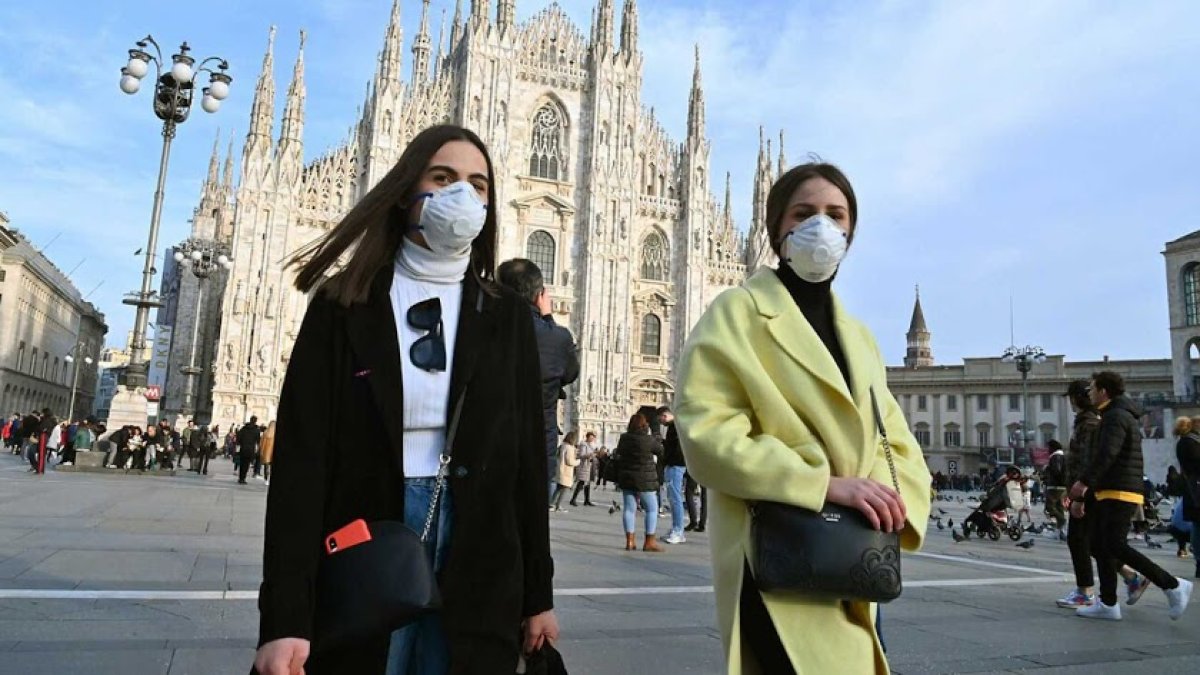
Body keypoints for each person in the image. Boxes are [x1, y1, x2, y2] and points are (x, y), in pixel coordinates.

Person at [252, 125, 556, 675]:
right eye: (443, 178)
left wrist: (539, 594)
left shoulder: (505, 315)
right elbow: (302, 466)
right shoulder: (344, 304)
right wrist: (285, 618)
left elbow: (528, 464)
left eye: (478, 185)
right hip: (367, 536)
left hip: (479, 545)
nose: (462, 195)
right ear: (404, 191)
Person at [675, 162, 932, 673]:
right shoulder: (737, 312)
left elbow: (896, 439)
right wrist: (823, 485)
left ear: (851, 232)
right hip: (779, 551)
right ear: (777, 228)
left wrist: (885, 498)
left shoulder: (858, 334)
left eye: (836, 214)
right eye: (804, 212)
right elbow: (706, 431)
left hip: (857, 550)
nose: (822, 226)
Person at [1070, 372, 1192, 620]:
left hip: (1119, 490)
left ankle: (1173, 585)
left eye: (1092, 388)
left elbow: (1107, 454)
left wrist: (1084, 484)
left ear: (1104, 391)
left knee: (1114, 545)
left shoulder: (1115, 417)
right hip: (1110, 489)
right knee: (1101, 546)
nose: (1089, 393)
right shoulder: (1112, 415)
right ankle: (1108, 604)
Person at [496, 258, 579, 498]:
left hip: (491, 443)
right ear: (539, 295)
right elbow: (569, 372)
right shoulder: (558, 337)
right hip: (537, 445)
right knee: (530, 523)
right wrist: (549, 320)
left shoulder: (482, 327)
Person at [615, 414, 665, 552]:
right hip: (645, 479)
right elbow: (661, 451)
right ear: (645, 425)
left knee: (629, 509)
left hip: (627, 477)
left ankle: (630, 541)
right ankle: (649, 542)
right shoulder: (649, 440)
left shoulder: (624, 438)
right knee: (652, 509)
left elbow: (619, 452)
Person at [658, 407, 687, 544]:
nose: (660, 421)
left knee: (675, 499)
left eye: (660, 418)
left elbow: (677, 449)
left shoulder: (677, 427)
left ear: (665, 415)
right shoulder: (673, 427)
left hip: (676, 465)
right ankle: (676, 529)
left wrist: (667, 459)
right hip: (673, 465)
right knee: (672, 498)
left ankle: (678, 531)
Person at [1176, 416, 1200, 577]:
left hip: (1193, 489)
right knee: (1198, 525)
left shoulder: (1188, 441)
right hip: (1196, 489)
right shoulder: (1189, 442)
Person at [551, 431, 579, 512]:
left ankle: (552, 504)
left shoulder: (562, 446)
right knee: (564, 489)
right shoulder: (569, 448)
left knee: (558, 488)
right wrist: (578, 461)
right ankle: (558, 505)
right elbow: (570, 461)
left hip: (560, 470)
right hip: (566, 471)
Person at [569, 431, 597, 507]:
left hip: (589, 465)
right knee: (581, 483)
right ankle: (573, 499)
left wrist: (593, 455)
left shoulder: (592, 445)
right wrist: (590, 455)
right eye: (591, 437)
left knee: (587, 484)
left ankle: (587, 500)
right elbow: (581, 455)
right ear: (587, 437)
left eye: (593, 437)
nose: (592, 439)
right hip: (583, 466)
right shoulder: (583, 445)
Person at [236, 416, 262, 485]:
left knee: (242, 464)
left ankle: (240, 478)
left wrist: (240, 444)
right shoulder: (256, 430)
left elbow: (238, 438)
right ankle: (243, 478)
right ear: (255, 421)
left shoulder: (243, 429)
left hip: (243, 448)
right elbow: (258, 441)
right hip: (250, 449)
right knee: (246, 464)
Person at [260, 420, 276, 485]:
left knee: (266, 467)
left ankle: (266, 479)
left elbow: (262, 443)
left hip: (266, 452)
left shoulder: (266, 432)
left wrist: (261, 451)